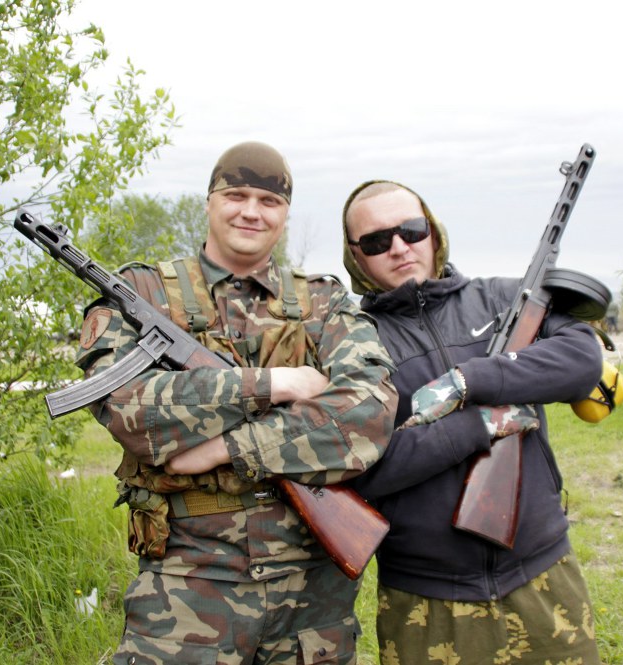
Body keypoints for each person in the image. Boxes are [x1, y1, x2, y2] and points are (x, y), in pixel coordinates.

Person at [75, 142, 398, 665]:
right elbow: (128, 408)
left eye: (269, 201)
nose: (251, 211)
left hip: (312, 596)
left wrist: (227, 448)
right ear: (209, 202)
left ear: (285, 214)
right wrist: (273, 384)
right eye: (236, 196)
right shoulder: (142, 294)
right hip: (187, 583)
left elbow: (370, 411)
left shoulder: (323, 301)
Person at [342, 180, 604, 664]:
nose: (399, 248)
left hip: (543, 573)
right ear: (355, 256)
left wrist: (471, 379)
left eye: (411, 230)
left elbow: (582, 360)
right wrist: (476, 425)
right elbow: (361, 467)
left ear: (433, 232)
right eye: (377, 241)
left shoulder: (505, 298)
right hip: (425, 598)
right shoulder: (351, 343)